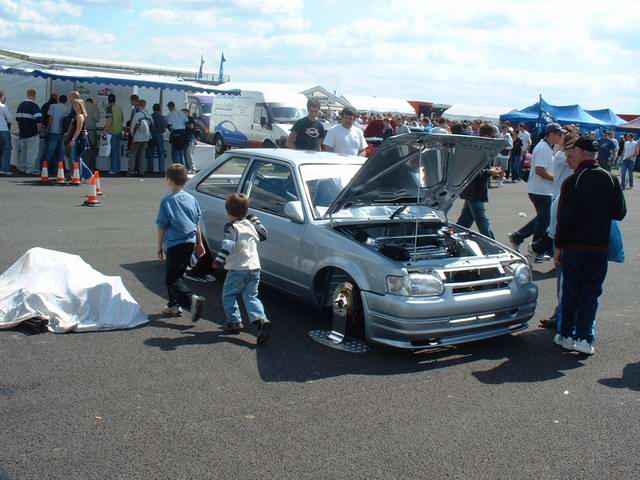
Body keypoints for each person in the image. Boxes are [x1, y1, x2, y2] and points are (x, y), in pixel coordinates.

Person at [554, 135, 626, 355]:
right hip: (598, 247)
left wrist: (558, 246)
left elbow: (563, 219)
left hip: (574, 246)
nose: (571, 156)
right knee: (591, 292)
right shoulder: (610, 178)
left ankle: (566, 335)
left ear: (583, 153)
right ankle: (585, 338)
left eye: (573, 152)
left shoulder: (572, 180)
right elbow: (619, 213)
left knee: (571, 291)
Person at [212, 192, 271, 343]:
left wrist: (218, 261)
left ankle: (234, 322)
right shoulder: (251, 226)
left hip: (238, 269)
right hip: (255, 268)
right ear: (246, 211)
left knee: (229, 295)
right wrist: (254, 219)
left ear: (228, 212)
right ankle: (260, 320)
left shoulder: (231, 227)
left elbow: (228, 244)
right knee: (251, 296)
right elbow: (264, 234)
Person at [156, 163, 206, 321]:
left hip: (174, 243)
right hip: (189, 242)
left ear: (169, 180)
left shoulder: (167, 201)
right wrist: (199, 242)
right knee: (178, 274)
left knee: (172, 278)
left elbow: (162, 225)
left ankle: (191, 300)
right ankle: (173, 306)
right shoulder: (192, 199)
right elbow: (197, 222)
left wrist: (159, 245)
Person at [509, 123, 564, 260]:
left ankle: (519, 236)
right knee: (544, 219)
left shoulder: (546, 147)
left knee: (542, 218)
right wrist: (556, 179)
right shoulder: (543, 148)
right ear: (551, 134)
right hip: (540, 190)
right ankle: (536, 248)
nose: (561, 136)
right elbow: (540, 171)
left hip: (542, 189)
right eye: (559, 134)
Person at [456, 123, 503, 238]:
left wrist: (491, 170)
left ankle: (453, 235)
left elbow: (478, 169)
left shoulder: (480, 148)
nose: (495, 139)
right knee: (482, 222)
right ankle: (493, 246)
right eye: (493, 136)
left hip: (473, 189)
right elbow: (473, 171)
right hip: (474, 189)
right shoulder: (478, 149)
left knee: (464, 221)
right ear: (486, 136)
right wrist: (490, 172)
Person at [16, 89, 43, 175]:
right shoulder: (34, 106)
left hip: (22, 133)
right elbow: (38, 120)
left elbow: (17, 120)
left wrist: (20, 129)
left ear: (27, 94)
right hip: (32, 133)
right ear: (34, 95)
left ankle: (22, 167)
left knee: (23, 151)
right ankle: (30, 168)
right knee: (32, 152)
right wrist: (38, 131)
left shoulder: (20, 105)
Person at [66, 99, 93, 180]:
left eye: (76, 104)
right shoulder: (77, 115)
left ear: (81, 106)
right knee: (78, 158)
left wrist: (73, 139)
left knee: (76, 158)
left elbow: (78, 129)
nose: (74, 106)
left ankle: (80, 177)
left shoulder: (80, 116)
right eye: (73, 104)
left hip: (79, 139)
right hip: (78, 138)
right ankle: (88, 175)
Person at [43, 94, 68, 176]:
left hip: (54, 131)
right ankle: (59, 170)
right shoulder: (67, 108)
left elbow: (50, 118)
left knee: (49, 151)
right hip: (63, 133)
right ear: (66, 101)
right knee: (61, 152)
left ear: (59, 100)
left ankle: (45, 169)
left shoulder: (53, 106)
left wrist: (47, 129)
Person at [129, 100, 152, 176]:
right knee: (142, 154)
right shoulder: (148, 115)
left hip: (137, 137)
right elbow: (151, 125)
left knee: (133, 154)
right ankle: (141, 171)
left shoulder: (137, 115)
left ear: (139, 105)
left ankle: (131, 171)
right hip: (146, 137)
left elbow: (132, 127)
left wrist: (132, 136)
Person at [103, 93, 124, 175]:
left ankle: (113, 169)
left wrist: (105, 130)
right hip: (119, 131)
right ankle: (117, 168)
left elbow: (109, 120)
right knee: (117, 152)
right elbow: (122, 120)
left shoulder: (109, 108)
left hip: (112, 132)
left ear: (108, 100)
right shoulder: (119, 108)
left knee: (113, 152)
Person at [166, 101, 187, 165]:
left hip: (175, 133)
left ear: (170, 107)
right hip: (182, 133)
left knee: (174, 152)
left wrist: (170, 128)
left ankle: (176, 167)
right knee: (181, 152)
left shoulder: (170, 114)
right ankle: (182, 167)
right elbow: (187, 122)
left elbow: (169, 125)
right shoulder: (182, 113)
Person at [147, 103, 167, 173]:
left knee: (150, 153)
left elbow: (148, 126)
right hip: (159, 135)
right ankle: (161, 170)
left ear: (153, 109)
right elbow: (165, 129)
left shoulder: (150, 116)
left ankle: (150, 169)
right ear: (159, 109)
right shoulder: (162, 117)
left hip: (151, 135)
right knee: (161, 153)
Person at [84, 98, 100, 171]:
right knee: (93, 149)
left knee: (84, 149)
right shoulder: (94, 106)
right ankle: (91, 167)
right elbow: (96, 118)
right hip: (91, 130)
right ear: (92, 101)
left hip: (83, 130)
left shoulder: (82, 106)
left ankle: (84, 166)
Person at [0, 91, 13, 175]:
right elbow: (9, 119)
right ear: (1, 97)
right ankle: (5, 169)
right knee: (6, 149)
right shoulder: (3, 106)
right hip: (3, 129)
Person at [181, 108, 196, 172]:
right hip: (184, 138)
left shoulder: (190, 118)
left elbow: (191, 126)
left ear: (187, 113)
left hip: (189, 138)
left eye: (183, 113)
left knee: (187, 153)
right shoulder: (183, 119)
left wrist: (184, 123)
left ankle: (191, 167)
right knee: (185, 153)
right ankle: (187, 167)